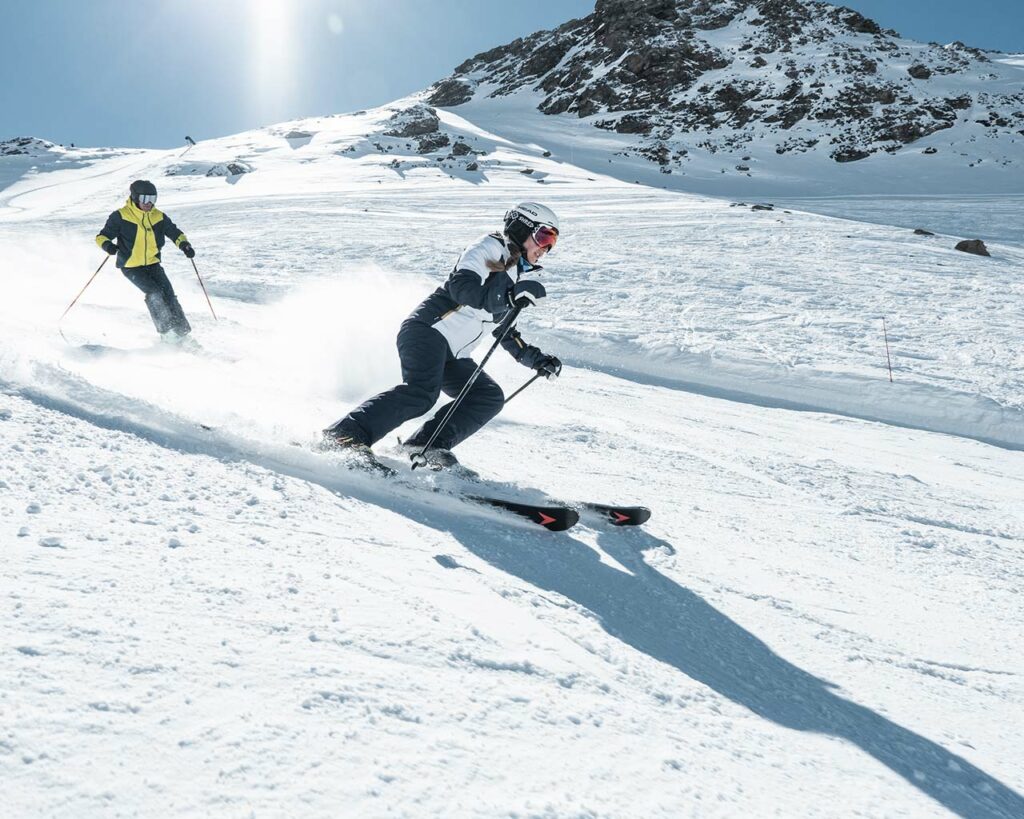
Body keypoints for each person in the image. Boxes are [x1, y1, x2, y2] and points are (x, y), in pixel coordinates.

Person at [324, 201, 563, 470]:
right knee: (422, 393)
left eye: (552, 242)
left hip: (453, 352)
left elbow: (504, 329)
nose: (546, 248)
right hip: (428, 330)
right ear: (522, 227)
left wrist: (536, 360)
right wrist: (506, 296)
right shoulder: (490, 247)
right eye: (544, 236)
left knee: (487, 396)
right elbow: (461, 287)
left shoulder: (514, 275)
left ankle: (426, 444)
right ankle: (344, 436)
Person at [95, 180, 197, 342]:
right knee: (154, 293)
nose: (149, 203)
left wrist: (184, 245)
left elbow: (174, 232)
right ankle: (167, 334)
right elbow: (102, 237)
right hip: (131, 266)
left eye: (152, 199)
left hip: (153, 263)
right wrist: (108, 246)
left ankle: (182, 332)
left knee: (169, 295)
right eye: (145, 198)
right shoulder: (121, 216)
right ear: (135, 198)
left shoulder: (159, 217)